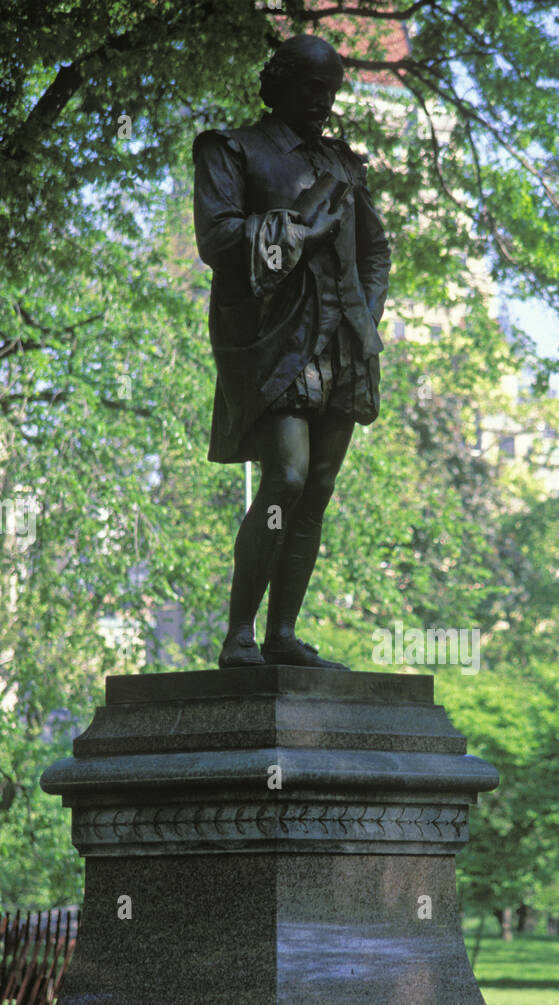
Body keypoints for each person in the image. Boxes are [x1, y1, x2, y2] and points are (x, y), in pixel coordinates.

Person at [192, 34, 391, 670]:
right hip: (272, 342)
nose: (323, 102)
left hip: (342, 343)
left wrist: (366, 312)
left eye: (331, 91)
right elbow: (220, 242)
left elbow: (375, 251)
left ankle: (283, 634)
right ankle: (239, 635)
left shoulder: (343, 163)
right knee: (287, 475)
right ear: (276, 82)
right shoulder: (233, 150)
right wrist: (301, 233)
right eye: (310, 87)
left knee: (319, 488)